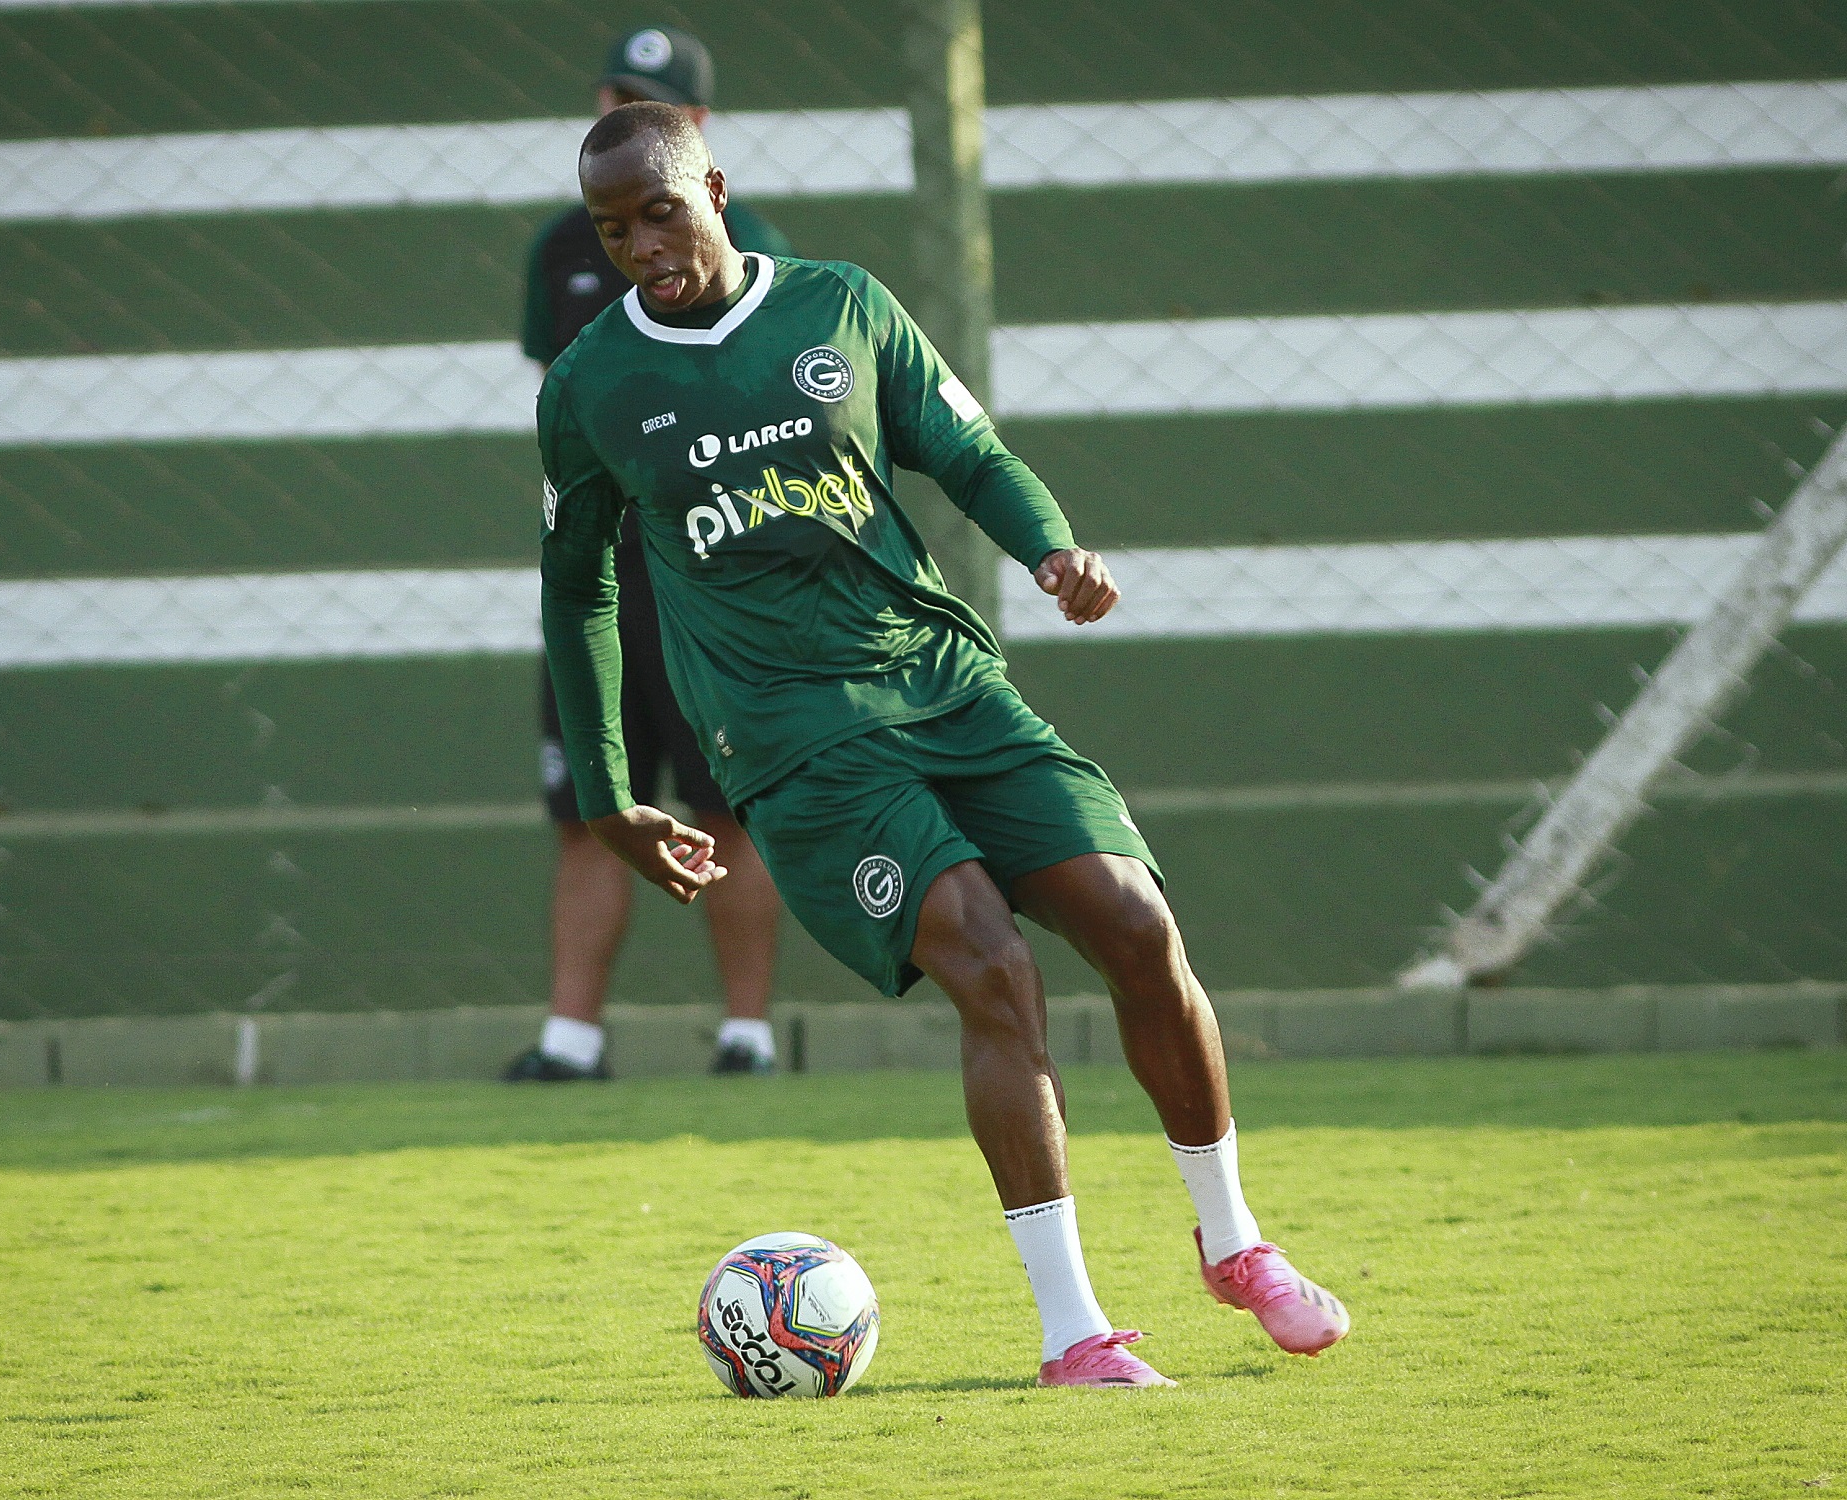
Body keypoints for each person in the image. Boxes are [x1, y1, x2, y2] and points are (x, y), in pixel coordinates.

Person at [538, 102, 1352, 1387]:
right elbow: (577, 587)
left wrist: (1052, 548)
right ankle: (1073, 1328)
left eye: (660, 212)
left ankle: (1235, 1242)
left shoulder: (841, 308)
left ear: (717, 190)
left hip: (945, 684)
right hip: (795, 742)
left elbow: (967, 452)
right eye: (610, 228)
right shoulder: (590, 384)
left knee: (1138, 928)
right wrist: (610, 795)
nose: (639, 244)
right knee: (991, 962)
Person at [506, 27, 795, 1082]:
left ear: (701, 136)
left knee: (728, 806)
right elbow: (566, 402)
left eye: (653, 100)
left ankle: (746, 1036)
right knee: (590, 806)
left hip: (713, 573)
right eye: (617, 95)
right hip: (605, 572)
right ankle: (571, 1041)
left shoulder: (756, 242)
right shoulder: (560, 246)